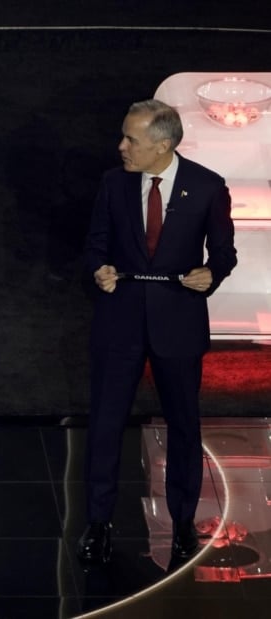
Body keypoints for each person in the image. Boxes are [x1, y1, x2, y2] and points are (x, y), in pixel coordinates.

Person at [78, 99, 237, 564]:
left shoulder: (207, 187)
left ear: (163, 146)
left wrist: (213, 273)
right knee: (106, 424)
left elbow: (224, 252)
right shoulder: (113, 184)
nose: (121, 146)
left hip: (179, 321)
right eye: (124, 136)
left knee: (184, 426)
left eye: (132, 140)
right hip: (119, 319)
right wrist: (100, 269)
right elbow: (96, 243)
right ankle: (98, 522)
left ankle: (184, 522)